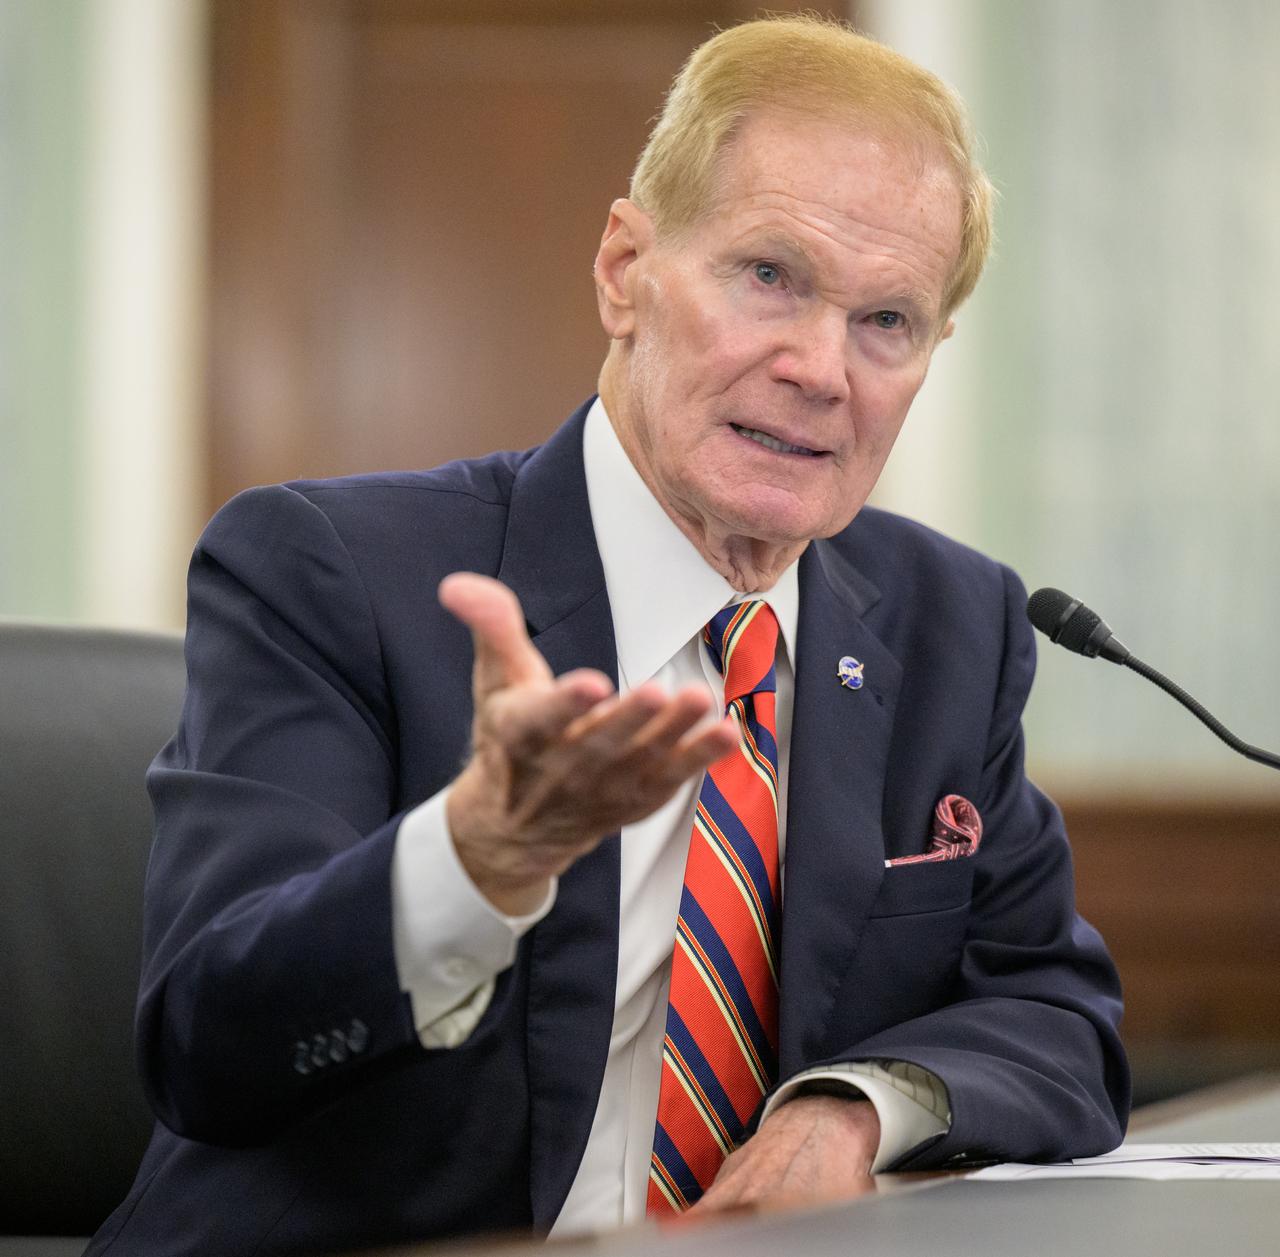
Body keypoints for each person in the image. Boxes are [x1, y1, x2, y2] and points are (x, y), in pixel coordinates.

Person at [88, 15, 1127, 1256]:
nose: (819, 368)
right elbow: (211, 1044)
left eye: (885, 322)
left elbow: (1057, 1014)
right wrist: (475, 861)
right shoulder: (332, 573)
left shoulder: (954, 626)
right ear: (623, 268)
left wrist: (851, 1113)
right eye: (769, 277)